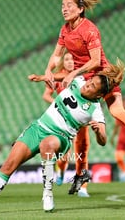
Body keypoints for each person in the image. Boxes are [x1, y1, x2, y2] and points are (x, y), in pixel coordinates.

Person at [0, 60, 125, 214]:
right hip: (38, 128)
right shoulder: (78, 80)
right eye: (90, 82)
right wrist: (43, 77)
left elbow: (103, 140)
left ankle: (47, 193)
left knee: (47, 145)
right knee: (8, 165)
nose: (87, 85)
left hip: (60, 137)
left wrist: (98, 132)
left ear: (99, 95)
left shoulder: (95, 110)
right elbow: (60, 76)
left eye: (92, 87)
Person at [42, 0, 125, 181]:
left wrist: (73, 72)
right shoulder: (65, 30)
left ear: (81, 9)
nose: (64, 9)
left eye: (69, 5)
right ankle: (81, 173)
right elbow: (57, 55)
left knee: (117, 111)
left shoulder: (89, 29)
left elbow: (96, 60)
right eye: (62, 6)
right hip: (85, 81)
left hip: (101, 78)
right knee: (80, 125)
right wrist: (48, 70)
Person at [29, 52, 91, 197]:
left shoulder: (81, 77)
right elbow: (46, 95)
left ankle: (83, 187)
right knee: (64, 155)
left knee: (82, 151)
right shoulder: (57, 77)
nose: (70, 62)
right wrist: (60, 105)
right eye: (67, 59)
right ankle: (61, 170)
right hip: (63, 120)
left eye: (73, 59)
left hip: (79, 121)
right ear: (63, 62)